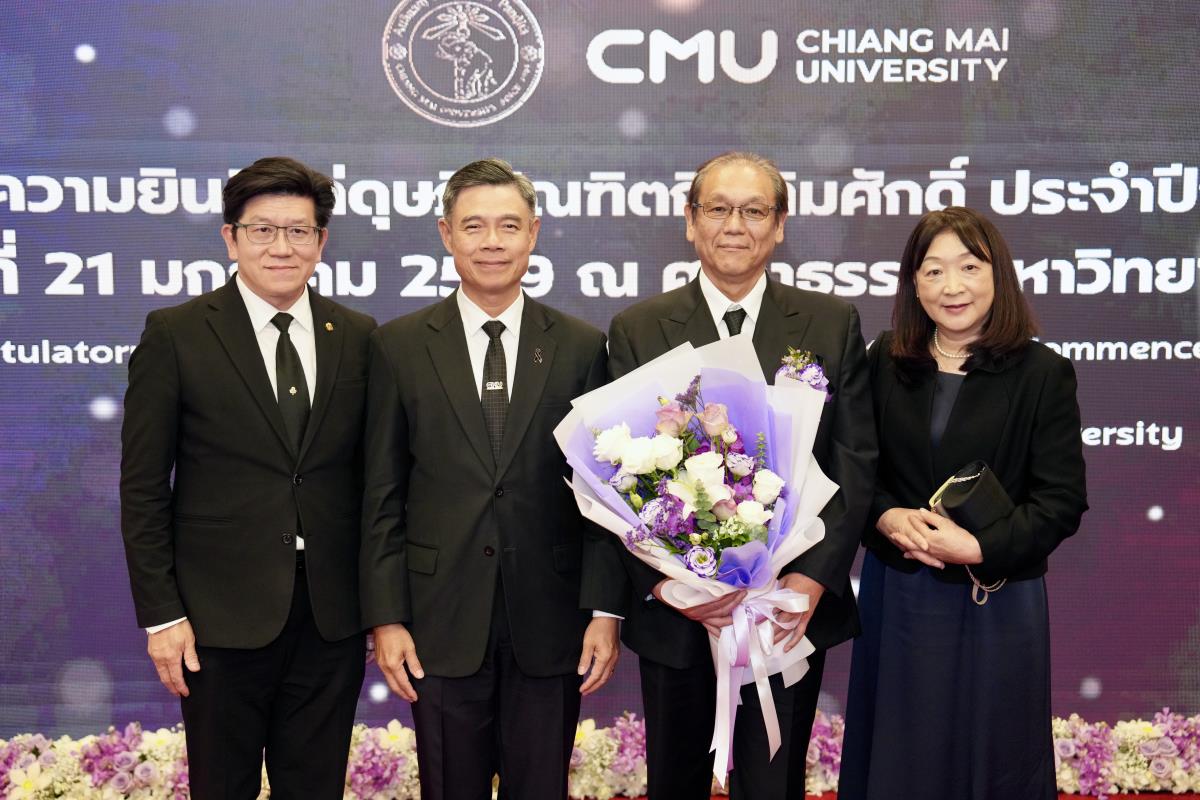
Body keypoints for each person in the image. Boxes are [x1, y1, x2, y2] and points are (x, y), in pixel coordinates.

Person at [606, 151, 877, 800]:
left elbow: (855, 460)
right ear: (690, 221)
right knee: (675, 783)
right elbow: (616, 477)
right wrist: (672, 585)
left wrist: (808, 581)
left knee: (772, 784)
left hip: (785, 613)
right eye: (718, 209)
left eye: (754, 211)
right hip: (680, 616)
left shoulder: (829, 322)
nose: (735, 225)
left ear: (779, 225)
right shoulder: (639, 329)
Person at [360, 158, 625, 800]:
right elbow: (381, 495)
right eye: (473, 226)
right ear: (446, 234)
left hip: (553, 621)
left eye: (509, 225)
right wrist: (386, 618)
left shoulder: (581, 346)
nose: (492, 242)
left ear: (533, 233)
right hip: (438, 621)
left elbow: (603, 494)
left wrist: (605, 609)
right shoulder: (398, 346)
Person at [120, 156, 377, 798]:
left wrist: (381, 607)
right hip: (217, 619)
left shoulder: (356, 335)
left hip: (330, 617)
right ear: (230, 238)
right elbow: (143, 487)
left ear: (321, 241)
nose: (281, 247)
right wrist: (161, 616)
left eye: (298, 231)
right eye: (262, 230)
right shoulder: (177, 334)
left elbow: (374, 482)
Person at [838, 206, 1089, 799]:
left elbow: (1061, 500)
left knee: (993, 758)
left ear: (997, 274)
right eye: (933, 271)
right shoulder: (885, 360)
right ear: (913, 283)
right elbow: (854, 471)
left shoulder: (1042, 373)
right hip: (900, 590)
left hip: (994, 597)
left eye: (969, 267)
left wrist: (977, 546)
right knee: (901, 755)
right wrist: (885, 516)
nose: (952, 286)